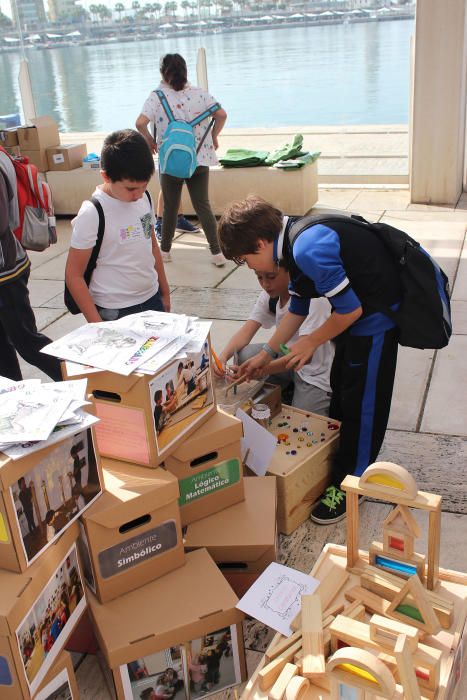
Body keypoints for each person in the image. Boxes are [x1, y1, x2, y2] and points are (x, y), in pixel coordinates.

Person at [218, 195, 401, 525]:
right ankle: (343, 462)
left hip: (374, 323)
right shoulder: (290, 243)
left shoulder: (305, 248)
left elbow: (351, 309)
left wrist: (312, 341)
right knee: (344, 395)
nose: (250, 268)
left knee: (363, 406)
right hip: (352, 325)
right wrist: (266, 354)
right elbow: (299, 308)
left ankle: (349, 488)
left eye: (245, 259)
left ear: (260, 244)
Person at [65, 129, 170, 322]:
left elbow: (152, 246)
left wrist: (165, 292)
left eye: (144, 186)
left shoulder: (145, 198)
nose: (138, 194)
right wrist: (96, 325)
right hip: (114, 311)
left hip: (152, 300)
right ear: (105, 177)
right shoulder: (92, 213)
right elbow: (74, 275)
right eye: (130, 188)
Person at [135, 53, 227, 266]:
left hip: (170, 160)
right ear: (185, 72)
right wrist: (213, 136)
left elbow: (140, 123)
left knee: (170, 206)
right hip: (199, 156)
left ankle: (165, 251)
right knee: (202, 204)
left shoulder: (156, 96)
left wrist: (149, 140)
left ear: (162, 73)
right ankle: (216, 253)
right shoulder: (200, 94)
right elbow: (221, 115)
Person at [213, 262, 333, 415]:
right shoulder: (271, 296)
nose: (265, 284)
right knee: (244, 355)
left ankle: (294, 391)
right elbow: (246, 331)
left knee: (303, 420)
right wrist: (222, 358)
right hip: (285, 355)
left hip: (313, 372)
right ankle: (285, 386)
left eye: (271, 277)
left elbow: (302, 358)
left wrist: (260, 369)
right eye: (259, 277)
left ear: (290, 271)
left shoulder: (313, 299)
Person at [0, 154, 62, 381]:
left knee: (27, 342)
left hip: (6, 272)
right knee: (4, 347)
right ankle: (10, 398)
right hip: (10, 263)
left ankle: (79, 381)